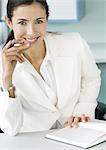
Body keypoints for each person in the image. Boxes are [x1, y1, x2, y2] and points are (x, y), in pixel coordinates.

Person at [0, 0, 101, 136]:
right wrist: (7, 81)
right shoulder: (2, 64)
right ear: (9, 22)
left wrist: (82, 110)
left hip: (76, 133)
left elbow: (91, 79)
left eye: (39, 21)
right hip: (34, 141)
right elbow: (10, 128)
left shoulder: (74, 43)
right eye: (22, 22)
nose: (31, 32)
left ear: (47, 19)